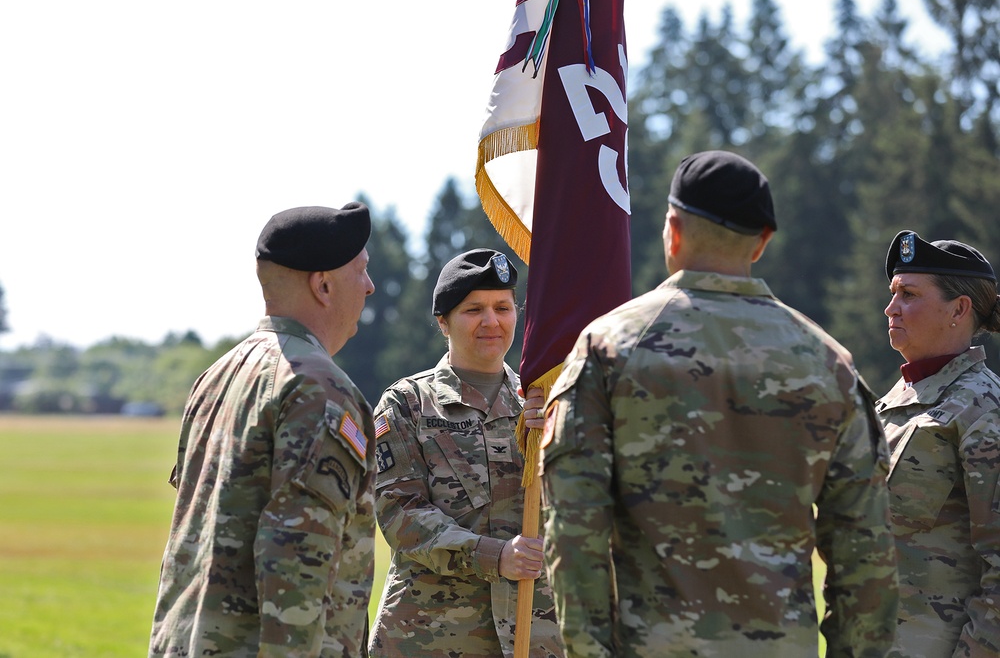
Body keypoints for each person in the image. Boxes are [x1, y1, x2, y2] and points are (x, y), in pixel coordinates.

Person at [540, 150, 899, 657]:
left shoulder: (610, 346)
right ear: (763, 242)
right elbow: (866, 554)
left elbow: (575, 532)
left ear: (673, 229)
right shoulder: (827, 363)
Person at [149, 203, 378, 657]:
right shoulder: (318, 388)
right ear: (324, 285)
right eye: (362, 271)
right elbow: (295, 561)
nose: (370, 287)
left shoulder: (217, 374)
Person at [369, 248, 564, 657]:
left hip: (536, 635)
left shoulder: (548, 402)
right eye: (474, 309)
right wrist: (494, 557)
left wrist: (558, 437)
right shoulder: (406, 404)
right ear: (444, 322)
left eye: (503, 307)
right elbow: (400, 515)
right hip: (430, 638)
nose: (491, 321)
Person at [877, 230, 1000, 657]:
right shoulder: (893, 403)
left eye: (908, 294)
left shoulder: (983, 409)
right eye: (893, 293)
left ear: (959, 309)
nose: (891, 307)